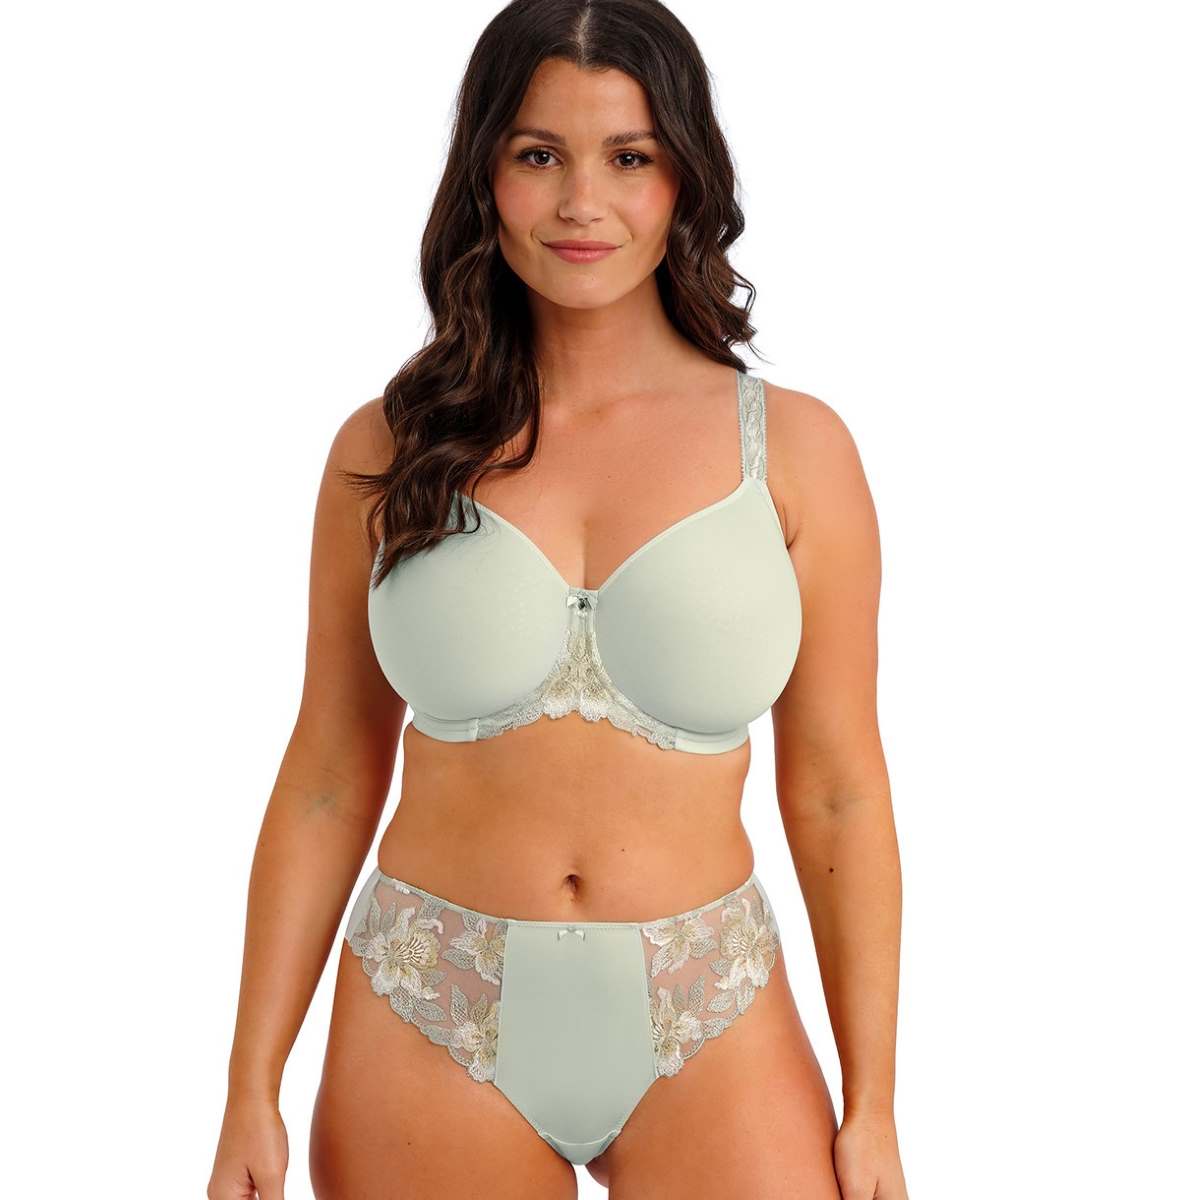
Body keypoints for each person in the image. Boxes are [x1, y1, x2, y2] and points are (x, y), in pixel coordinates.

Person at [207, 2, 908, 1197]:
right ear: (485, 175)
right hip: (429, 1003)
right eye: (540, 155)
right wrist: (247, 1089)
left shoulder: (795, 453)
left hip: (709, 1010)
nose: (583, 202)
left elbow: (839, 790)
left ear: (685, 179)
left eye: (629, 157)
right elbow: (327, 774)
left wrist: (875, 1103)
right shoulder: (389, 447)